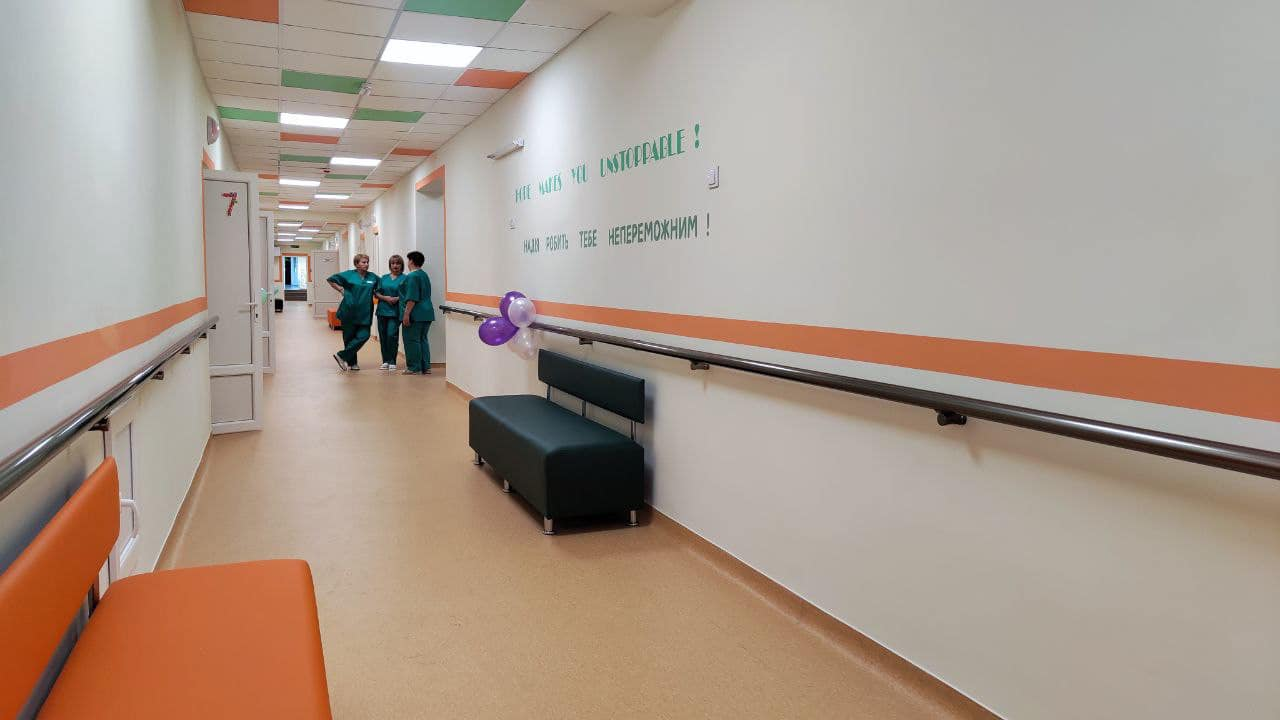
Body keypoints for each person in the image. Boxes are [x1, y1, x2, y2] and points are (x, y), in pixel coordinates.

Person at [327, 253, 379, 371]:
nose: (366, 264)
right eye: (363, 262)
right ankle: (352, 363)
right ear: (356, 264)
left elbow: (381, 288)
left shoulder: (373, 277)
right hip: (348, 311)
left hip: (365, 313)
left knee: (364, 335)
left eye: (367, 262)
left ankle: (341, 356)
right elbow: (331, 279)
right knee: (349, 338)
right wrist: (341, 289)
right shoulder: (349, 275)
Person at [400, 251, 436, 375]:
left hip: (415, 314)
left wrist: (406, 314)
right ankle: (426, 367)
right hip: (427, 313)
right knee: (423, 339)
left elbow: (412, 297)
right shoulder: (424, 275)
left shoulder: (412, 276)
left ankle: (414, 367)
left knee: (412, 340)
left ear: (411, 261)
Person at [374, 254, 405, 370]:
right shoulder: (383, 278)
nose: (395, 265)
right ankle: (385, 361)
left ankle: (392, 361)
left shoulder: (405, 278)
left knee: (392, 335)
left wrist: (397, 298)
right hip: (382, 311)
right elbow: (377, 293)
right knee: (383, 336)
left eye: (398, 263)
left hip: (395, 312)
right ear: (390, 265)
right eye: (393, 263)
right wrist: (385, 298)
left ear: (401, 265)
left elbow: (408, 294)